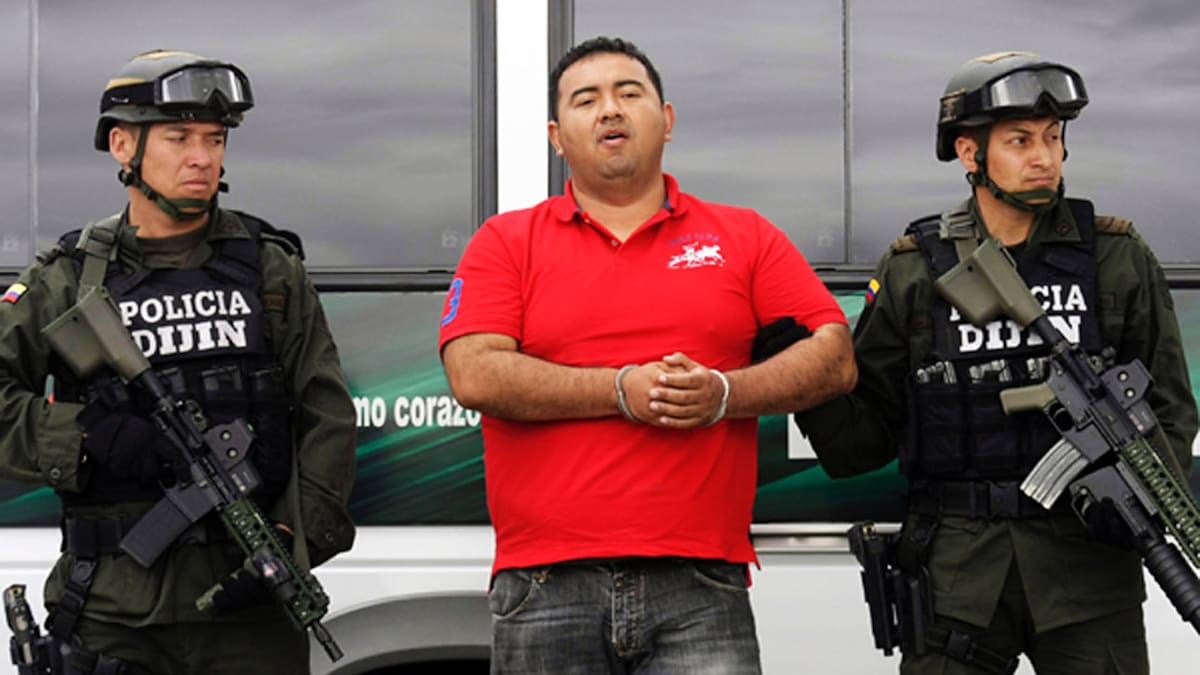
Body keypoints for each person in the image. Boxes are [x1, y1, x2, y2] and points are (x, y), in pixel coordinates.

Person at [438, 35, 856, 674]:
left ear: (666, 120)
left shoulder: (744, 235)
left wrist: (725, 394)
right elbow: (473, 372)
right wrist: (620, 389)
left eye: (628, 93)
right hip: (545, 584)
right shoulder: (505, 241)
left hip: (701, 583)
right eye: (586, 100)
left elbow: (834, 355)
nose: (609, 109)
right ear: (557, 137)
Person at [795, 51, 1198, 674]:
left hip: (1088, 569)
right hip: (958, 575)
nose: (1045, 158)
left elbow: (1171, 408)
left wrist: (1137, 501)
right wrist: (797, 371)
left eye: (1053, 138)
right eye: (1020, 141)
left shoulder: (1115, 258)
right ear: (969, 153)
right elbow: (863, 439)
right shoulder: (915, 270)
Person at [0, 50, 357, 674]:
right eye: (179, 138)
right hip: (112, 614)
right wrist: (83, 435)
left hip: (249, 611)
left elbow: (327, 417)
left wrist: (290, 542)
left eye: (215, 139)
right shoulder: (68, 280)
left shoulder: (270, 270)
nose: (202, 157)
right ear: (123, 146)